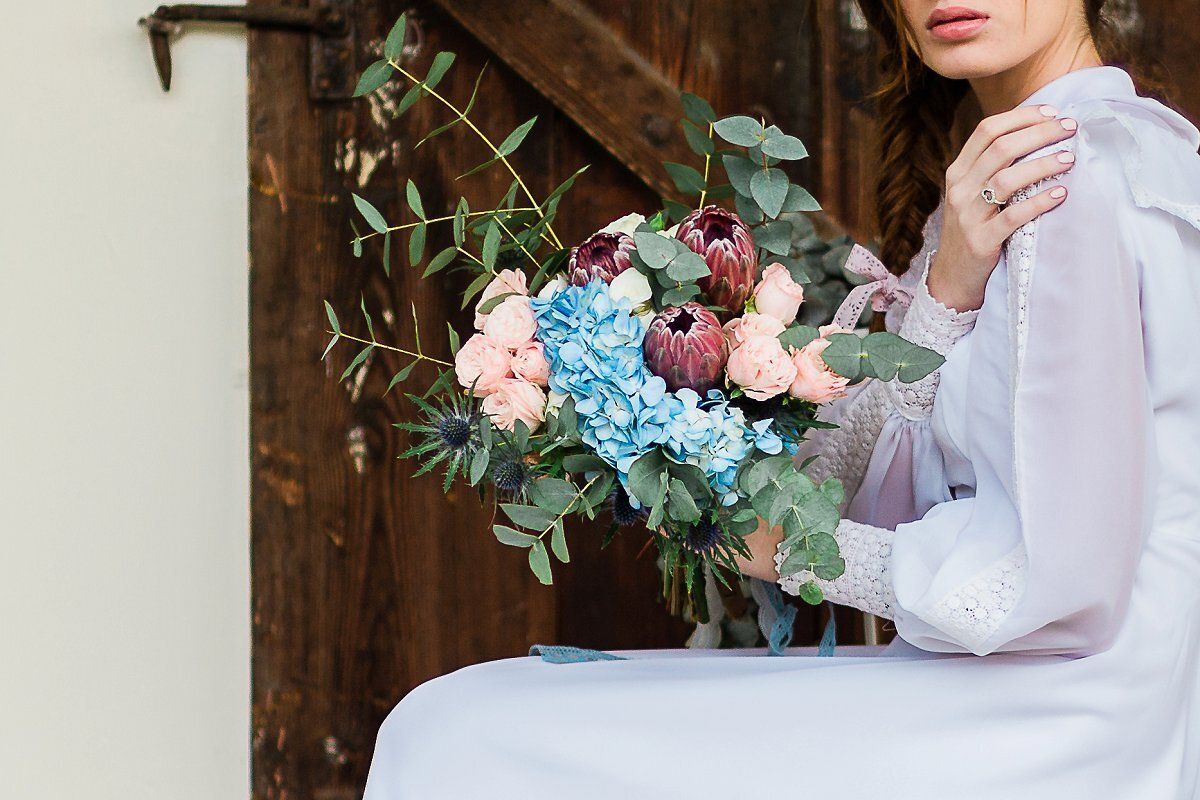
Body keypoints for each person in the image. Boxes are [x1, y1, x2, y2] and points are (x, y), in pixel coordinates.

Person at [362, 1, 1200, 796]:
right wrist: (941, 296)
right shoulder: (1031, 170)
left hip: (1062, 728)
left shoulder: (1065, 174)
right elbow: (894, 482)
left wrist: (786, 549)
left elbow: (1061, 587)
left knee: (456, 735)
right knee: (465, 718)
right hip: (1026, 690)